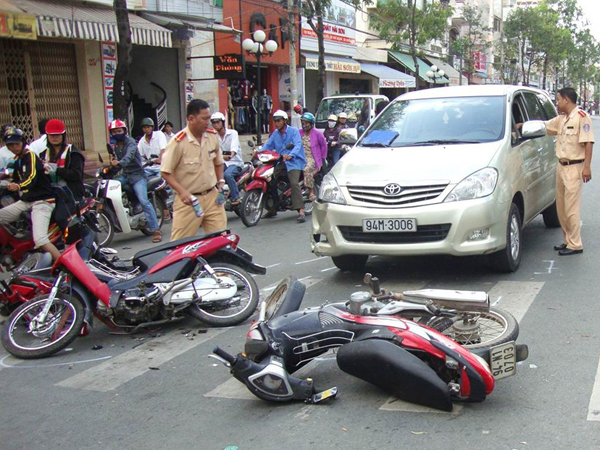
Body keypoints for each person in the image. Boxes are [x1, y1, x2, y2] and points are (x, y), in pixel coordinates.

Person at [161, 99, 227, 240]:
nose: (208, 122)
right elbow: (166, 172)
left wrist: (221, 181)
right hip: (189, 202)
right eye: (204, 119)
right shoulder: (178, 142)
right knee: (181, 246)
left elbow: (218, 162)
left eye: (209, 118)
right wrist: (183, 192)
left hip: (212, 197)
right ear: (191, 118)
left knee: (220, 241)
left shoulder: (212, 136)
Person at [543, 87, 594, 256]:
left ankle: (575, 244)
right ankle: (567, 240)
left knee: (571, 208)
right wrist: (520, 126)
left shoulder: (582, 117)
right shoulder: (562, 119)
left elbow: (588, 142)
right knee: (562, 209)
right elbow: (544, 127)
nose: (557, 103)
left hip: (574, 167)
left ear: (566, 99)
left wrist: (587, 167)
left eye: (558, 99)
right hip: (561, 166)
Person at [0, 127, 61, 260]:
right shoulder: (18, 160)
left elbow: (30, 177)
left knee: (40, 239)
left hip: (43, 201)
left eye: (17, 143)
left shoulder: (31, 156)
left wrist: (18, 186)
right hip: (26, 201)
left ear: (23, 142)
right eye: (10, 145)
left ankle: (66, 265)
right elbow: (15, 178)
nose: (14, 147)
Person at [108, 119, 162, 243]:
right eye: (114, 131)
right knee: (112, 186)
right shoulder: (116, 146)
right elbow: (118, 164)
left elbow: (128, 157)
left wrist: (119, 163)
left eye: (119, 131)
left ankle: (156, 230)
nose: (117, 133)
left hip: (138, 176)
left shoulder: (131, 142)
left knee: (144, 201)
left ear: (124, 131)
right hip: (126, 175)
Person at [261, 110, 306, 222]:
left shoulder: (294, 131)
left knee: (294, 183)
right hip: (280, 161)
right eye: (275, 121)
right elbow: (267, 146)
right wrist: (258, 152)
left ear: (285, 121)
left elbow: (297, 145)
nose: (276, 123)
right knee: (269, 179)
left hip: (294, 161)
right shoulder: (275, 134)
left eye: (279, 121)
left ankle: (301, 210)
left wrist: (291, 155)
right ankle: (273, 207)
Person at [38, 119, 85, 202]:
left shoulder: (73, 152)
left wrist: (56, 170)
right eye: (51, 135)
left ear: (63, 135)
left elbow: (76, 175)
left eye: (57, 135)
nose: (54, 137)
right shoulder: (43, 154)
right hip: (50, 194)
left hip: (71, 194)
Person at [211, 112, 243, 206]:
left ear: (223, 122)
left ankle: (236, 197)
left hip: (235, 162)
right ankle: (219, 199)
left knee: (227, 174)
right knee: (213, 176)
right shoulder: (214, 136)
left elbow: (233, 150)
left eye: (218, 122)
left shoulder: (233, 133)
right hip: (222, 162)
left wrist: (230, 155)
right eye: (214, 123)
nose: (216, 125)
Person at [299, 112, 327, 202]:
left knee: (307, 170)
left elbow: (324, 146)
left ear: (311, 123)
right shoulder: (299, 132)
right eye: (303, 123)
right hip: (300, 157)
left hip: (312, 158)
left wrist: (322, 159)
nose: (304, 125)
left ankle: (311, 191)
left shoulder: (317, 133)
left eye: (306, 123)